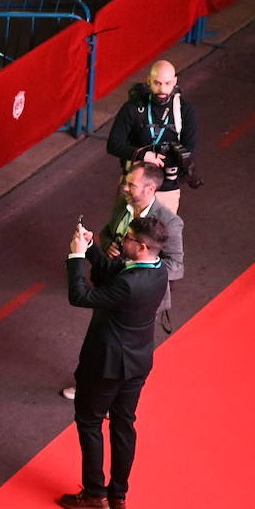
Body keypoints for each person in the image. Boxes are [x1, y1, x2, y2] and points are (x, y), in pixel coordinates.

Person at [59, 215, 170, 509]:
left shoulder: (130, 284)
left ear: (143, 246)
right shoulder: (158, 270)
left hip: (106, 363)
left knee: (90, 422)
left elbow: (80, 295)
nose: (123, 243)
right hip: (138, 360)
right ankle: (118, 495)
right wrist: (92, 246)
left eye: (129, 239)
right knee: (123, 424)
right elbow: (114, 269)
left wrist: (77, 256)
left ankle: (95, 495)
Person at [62, 162, 184, 400]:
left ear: (150, 189)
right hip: (111, 284)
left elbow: (176, 266)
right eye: (125, 181)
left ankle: (109, 396)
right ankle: (88, 384)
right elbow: (108, 233)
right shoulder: (123, 204)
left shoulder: (169, 223)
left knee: (123, 351)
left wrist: (138, 269)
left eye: (131, 184)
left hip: (137, 296)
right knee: (98, 341)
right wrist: (107, 247)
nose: (124, 187)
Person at [105, 60, 199, 214]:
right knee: (118, 233)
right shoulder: (133, 108)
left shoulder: (185, 111)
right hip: (133, 185)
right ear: (148, 81)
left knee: (161, 235)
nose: (162, 89)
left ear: (175, 81)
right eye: (157, 83)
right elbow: (113, 144)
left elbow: (189, 150)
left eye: (168, 83)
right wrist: (144, 155)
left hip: (166, 188)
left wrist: (162, 160)